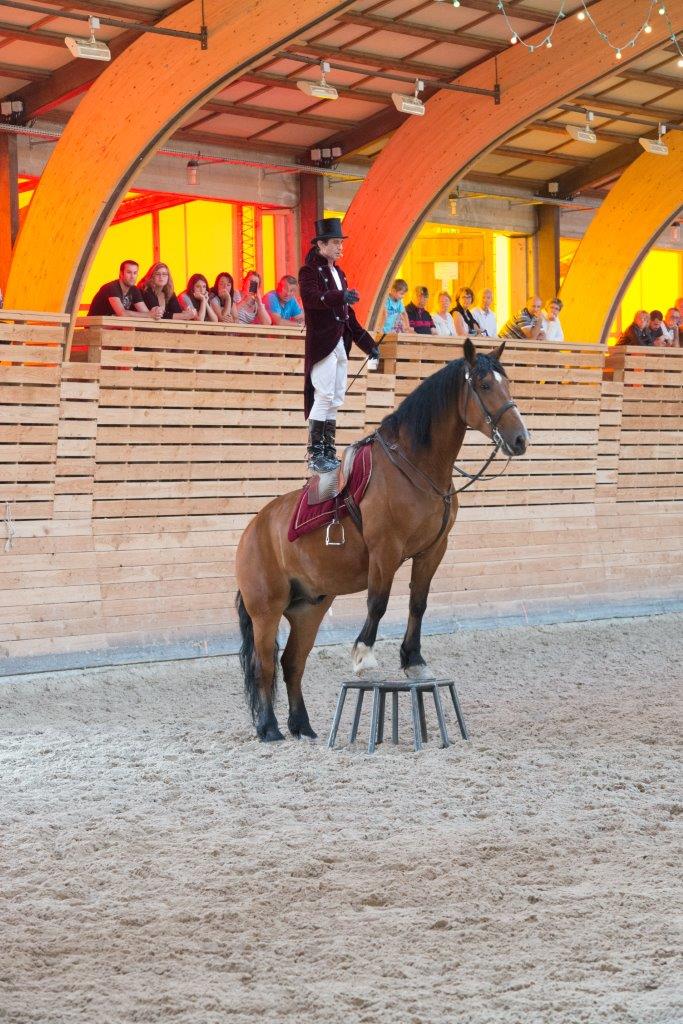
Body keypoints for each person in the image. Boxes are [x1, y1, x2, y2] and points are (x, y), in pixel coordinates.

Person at [298, 217, 379, 474]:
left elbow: (348, 317)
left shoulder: (339, 273)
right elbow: (312, 299)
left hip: (339, 344)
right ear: (321, 245)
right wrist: (339, 296)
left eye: (340, 243)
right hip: (323, 344)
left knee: (335, 398)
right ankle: (315, 453)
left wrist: (369, 344)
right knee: (324, 395)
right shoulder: (308, 272)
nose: (339, 247)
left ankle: (329, 450)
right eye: (334, 243)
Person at [88, 259, 161, 319]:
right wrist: (149, 315)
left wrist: (154, 312)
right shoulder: (112, 287)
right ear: (121, 273)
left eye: (135, 273)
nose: (132, 276)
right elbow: (122, 313)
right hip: (94, 326)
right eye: (129, 272)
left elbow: (145, 312)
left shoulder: (134, 290)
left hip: (113, 326)